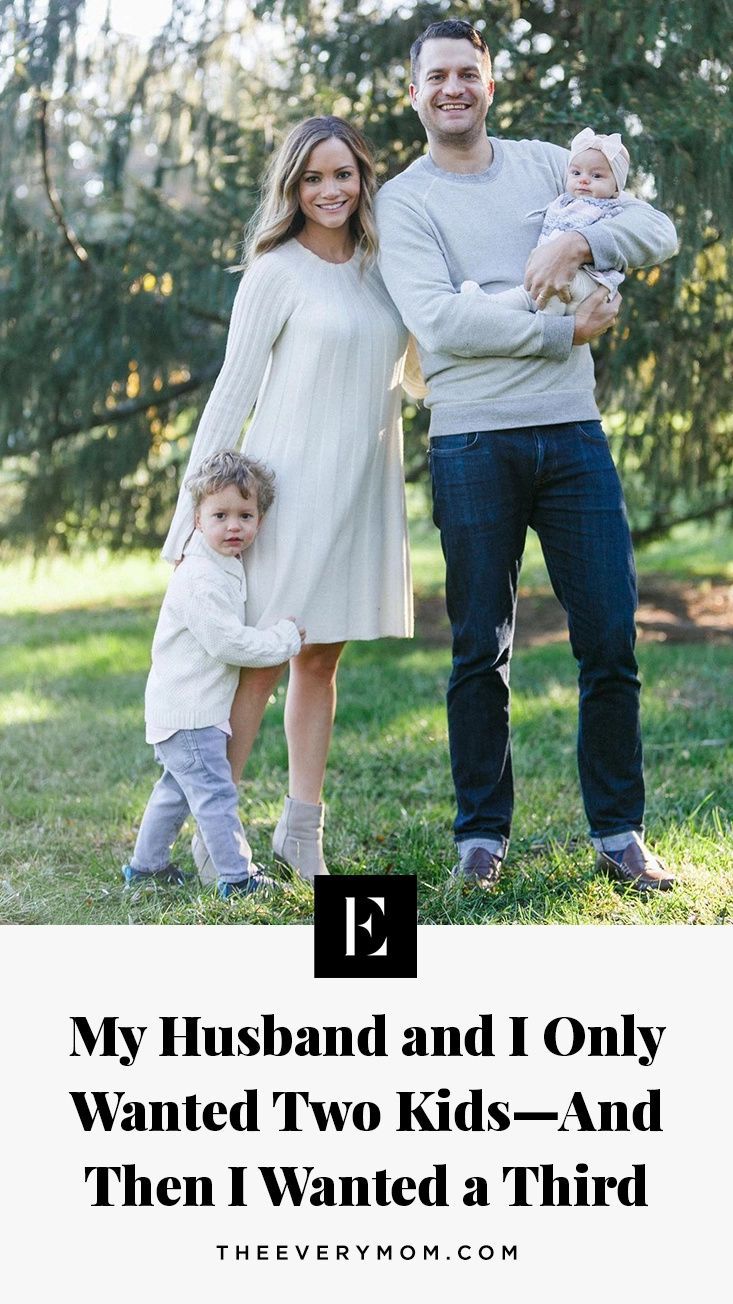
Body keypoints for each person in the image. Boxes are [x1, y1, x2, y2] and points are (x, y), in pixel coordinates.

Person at [376, 19, 679, 892]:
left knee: (610, 637)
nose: (452, 89)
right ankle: (480, 836)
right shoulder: (404, 201)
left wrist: (578, 241)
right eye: (436, 77)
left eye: (467, 73)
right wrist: (556, 328)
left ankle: (618, 833)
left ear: (489, 84)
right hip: (471, 439)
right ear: (415, 93)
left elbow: (653, 230)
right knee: (480, 647)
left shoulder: (554, 165)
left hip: (571, 435)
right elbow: (441, 325)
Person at [163, 117, 413, 880]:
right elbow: (231, 392)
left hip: (361, 485)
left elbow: (423, 366)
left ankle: (301, 832)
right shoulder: (275, 270)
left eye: (342, 174)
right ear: (292, 188)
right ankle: (219, 831)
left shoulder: (384, 266)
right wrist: (186, 524)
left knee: (320, 659)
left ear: (363, 180)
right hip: (285, 489)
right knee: (262, 664)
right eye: (313, 178)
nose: (329, 190)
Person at [122, 450, 304, 900]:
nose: (234, 526)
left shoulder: (220, 563)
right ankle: (237, 877)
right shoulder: (200, 577)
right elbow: (227, 642)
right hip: (189, 714)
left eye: (246, 514)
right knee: (216, 796)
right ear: (198, 520)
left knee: (176, 791)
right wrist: (284, 641)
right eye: (220, 515)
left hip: (179, 708)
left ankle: (145, 868)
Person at [461, 126, 631, 314]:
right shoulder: (565, 201)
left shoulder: (611, 210)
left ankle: (546, 324)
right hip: (559, 278)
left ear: (617, 188)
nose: (583, 180)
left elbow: (622, 239)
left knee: (551, 290)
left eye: (596, 176)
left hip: (589, 282)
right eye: (576, 173)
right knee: (529, 292)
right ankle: (491, 305)